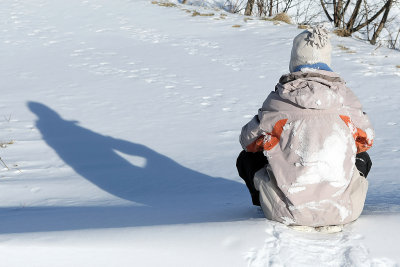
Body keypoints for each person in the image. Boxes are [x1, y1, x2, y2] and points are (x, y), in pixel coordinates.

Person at [236, 26, 374, 227]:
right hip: (345, 211)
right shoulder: (346, 100)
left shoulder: (278, 101)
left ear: (294, 61)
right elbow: (366, 140)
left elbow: (247, 141)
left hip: (285, 212)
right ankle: (335, 198)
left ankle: (269, 202)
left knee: (248, 157)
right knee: (363, 157)